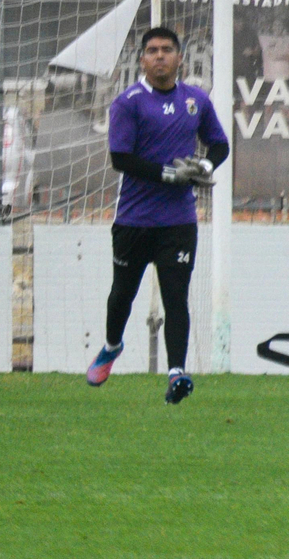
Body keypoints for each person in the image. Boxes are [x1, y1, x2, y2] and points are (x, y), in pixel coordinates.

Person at [86, 27, 228, 404]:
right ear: (143, 60)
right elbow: (122, 159)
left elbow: (220, 144)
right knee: (122, 296)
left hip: (178, 221)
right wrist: (170, 173)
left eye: (167, 50)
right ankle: (112, 346)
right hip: (134, 219)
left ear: (180, 58)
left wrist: (205, 166)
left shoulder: (196, 100)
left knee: (176, 297)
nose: (160, 56)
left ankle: (176, 374)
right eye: (152, 50)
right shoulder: (128, 102)